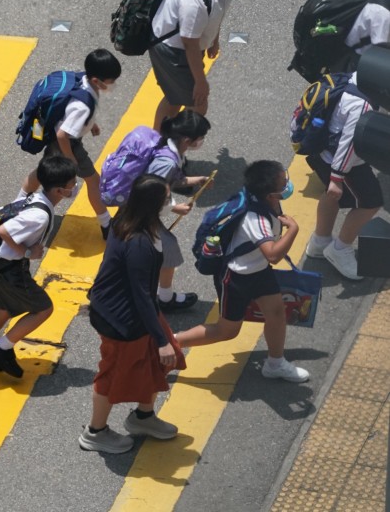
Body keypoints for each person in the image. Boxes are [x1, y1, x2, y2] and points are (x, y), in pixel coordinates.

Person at [174, 160, 310, 383]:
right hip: (236, 278)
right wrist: (293, 230)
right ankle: (170, 343)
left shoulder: (266, 200)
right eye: (283, 182)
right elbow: (273, 254)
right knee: (227, 331)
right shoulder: (254, 218)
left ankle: (275, 363)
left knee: (276, 312)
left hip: (258, 270)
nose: (287, 184)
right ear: (269, 193)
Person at [79, 174, 187, 454]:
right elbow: (141, 295)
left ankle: (143, 417)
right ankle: (95, 432)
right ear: (152, 205)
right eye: (166, 198)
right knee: (113, 374)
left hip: (134, 310)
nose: (169, 201)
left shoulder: (130, 219)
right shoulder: (139, 243)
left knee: (158, 360)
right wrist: (160, 339)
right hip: (121, 318)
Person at [0, 155, 77, 377]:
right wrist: (29, 252)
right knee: (43, 308)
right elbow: (5, 232)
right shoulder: (39, 216)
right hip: (10, 269)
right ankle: (2, 348)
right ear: (60, 191)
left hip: (2, 266)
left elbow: (25, 184)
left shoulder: (37, 197)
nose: (75, 187)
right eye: (72, 184)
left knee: (6, 309)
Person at [149, 0, 262, 129]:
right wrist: (200, 81)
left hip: (185, 45)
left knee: (175, 99)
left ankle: (161, 140)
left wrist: (213, 41)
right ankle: (170, 144)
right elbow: (189, 43)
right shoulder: (195, 1)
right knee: (197, 105)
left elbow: (215, 14)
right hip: (173, 51)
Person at [21, 49, 121, 239]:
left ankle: (19, 203)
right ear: (96, 81)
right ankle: (106, 225)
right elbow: (62, 135)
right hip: (67, 145)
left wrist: (90, 124)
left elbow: (72, 113)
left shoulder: (83, 80)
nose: (112, 85)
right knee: (91, 180)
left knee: (43, 173)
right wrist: (71, 160)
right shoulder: (83, 107)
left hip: (63, 141)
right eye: (110, 81)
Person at [304, 71, 383, 280]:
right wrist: (337, 178)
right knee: (371, 202)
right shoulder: (363, 104)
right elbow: (350, 143)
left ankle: (320, 242)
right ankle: (340, 249)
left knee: (332, 196)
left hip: (322, 152)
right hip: (342, 163)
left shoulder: (354, 78)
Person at [147, 110, 213, 310]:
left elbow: (170, 180)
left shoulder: (170, 149)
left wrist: (196, 180)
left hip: (142, 213)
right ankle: (165, 299)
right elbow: (149, 195)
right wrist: (175, 208)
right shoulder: (167, 162)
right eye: (200, 137)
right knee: (170, 251)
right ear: (187, 139)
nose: (202, 141)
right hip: (141, 214)